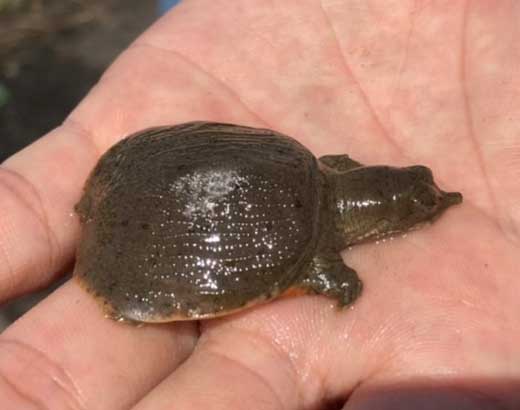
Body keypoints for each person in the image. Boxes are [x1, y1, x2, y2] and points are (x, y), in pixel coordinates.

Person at [1, 1, 519, 409]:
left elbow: (334, 166)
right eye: (420, 203)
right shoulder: (319, 256)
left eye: (419, 196)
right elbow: (327, 272)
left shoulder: (308, 160)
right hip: (145, 236)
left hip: (147, 171)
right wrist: (344, 285)